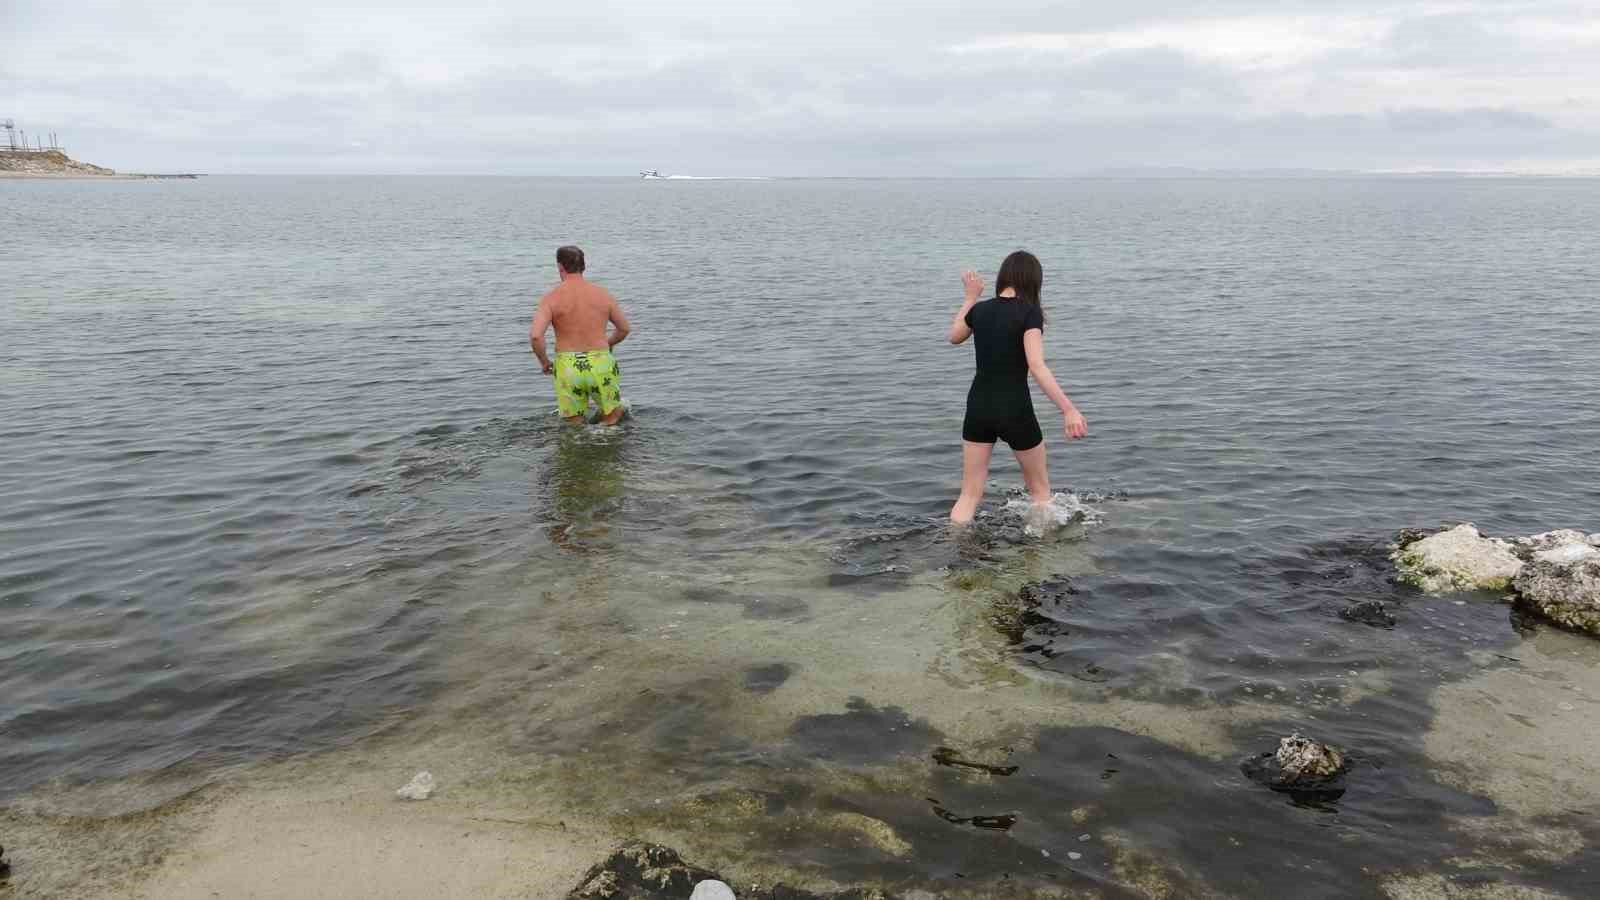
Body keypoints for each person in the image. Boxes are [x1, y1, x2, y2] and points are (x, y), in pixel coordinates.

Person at [947, 250, 1088, 523]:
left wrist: (970, 297)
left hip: (978, 407)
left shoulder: (980, 310)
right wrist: (1068, 410)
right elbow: (1037, 366)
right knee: (1040, 492)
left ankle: (956, 547)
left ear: (1004, 277)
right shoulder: (1029, 313)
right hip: (1015, 409)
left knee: (969, 495)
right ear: (1034, 281)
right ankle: (1039, 558)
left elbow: (954, 337)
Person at [530, 245, 632, 425]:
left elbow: (536, 336)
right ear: (583, 266)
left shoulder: (551, 298)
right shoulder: (603, 295)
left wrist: (545, 362)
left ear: (560, 266)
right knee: (612, 415)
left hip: (568, 366)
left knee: (574, 425)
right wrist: (608, 344)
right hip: (600, 362)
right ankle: (604, 435)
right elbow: (624, 328)